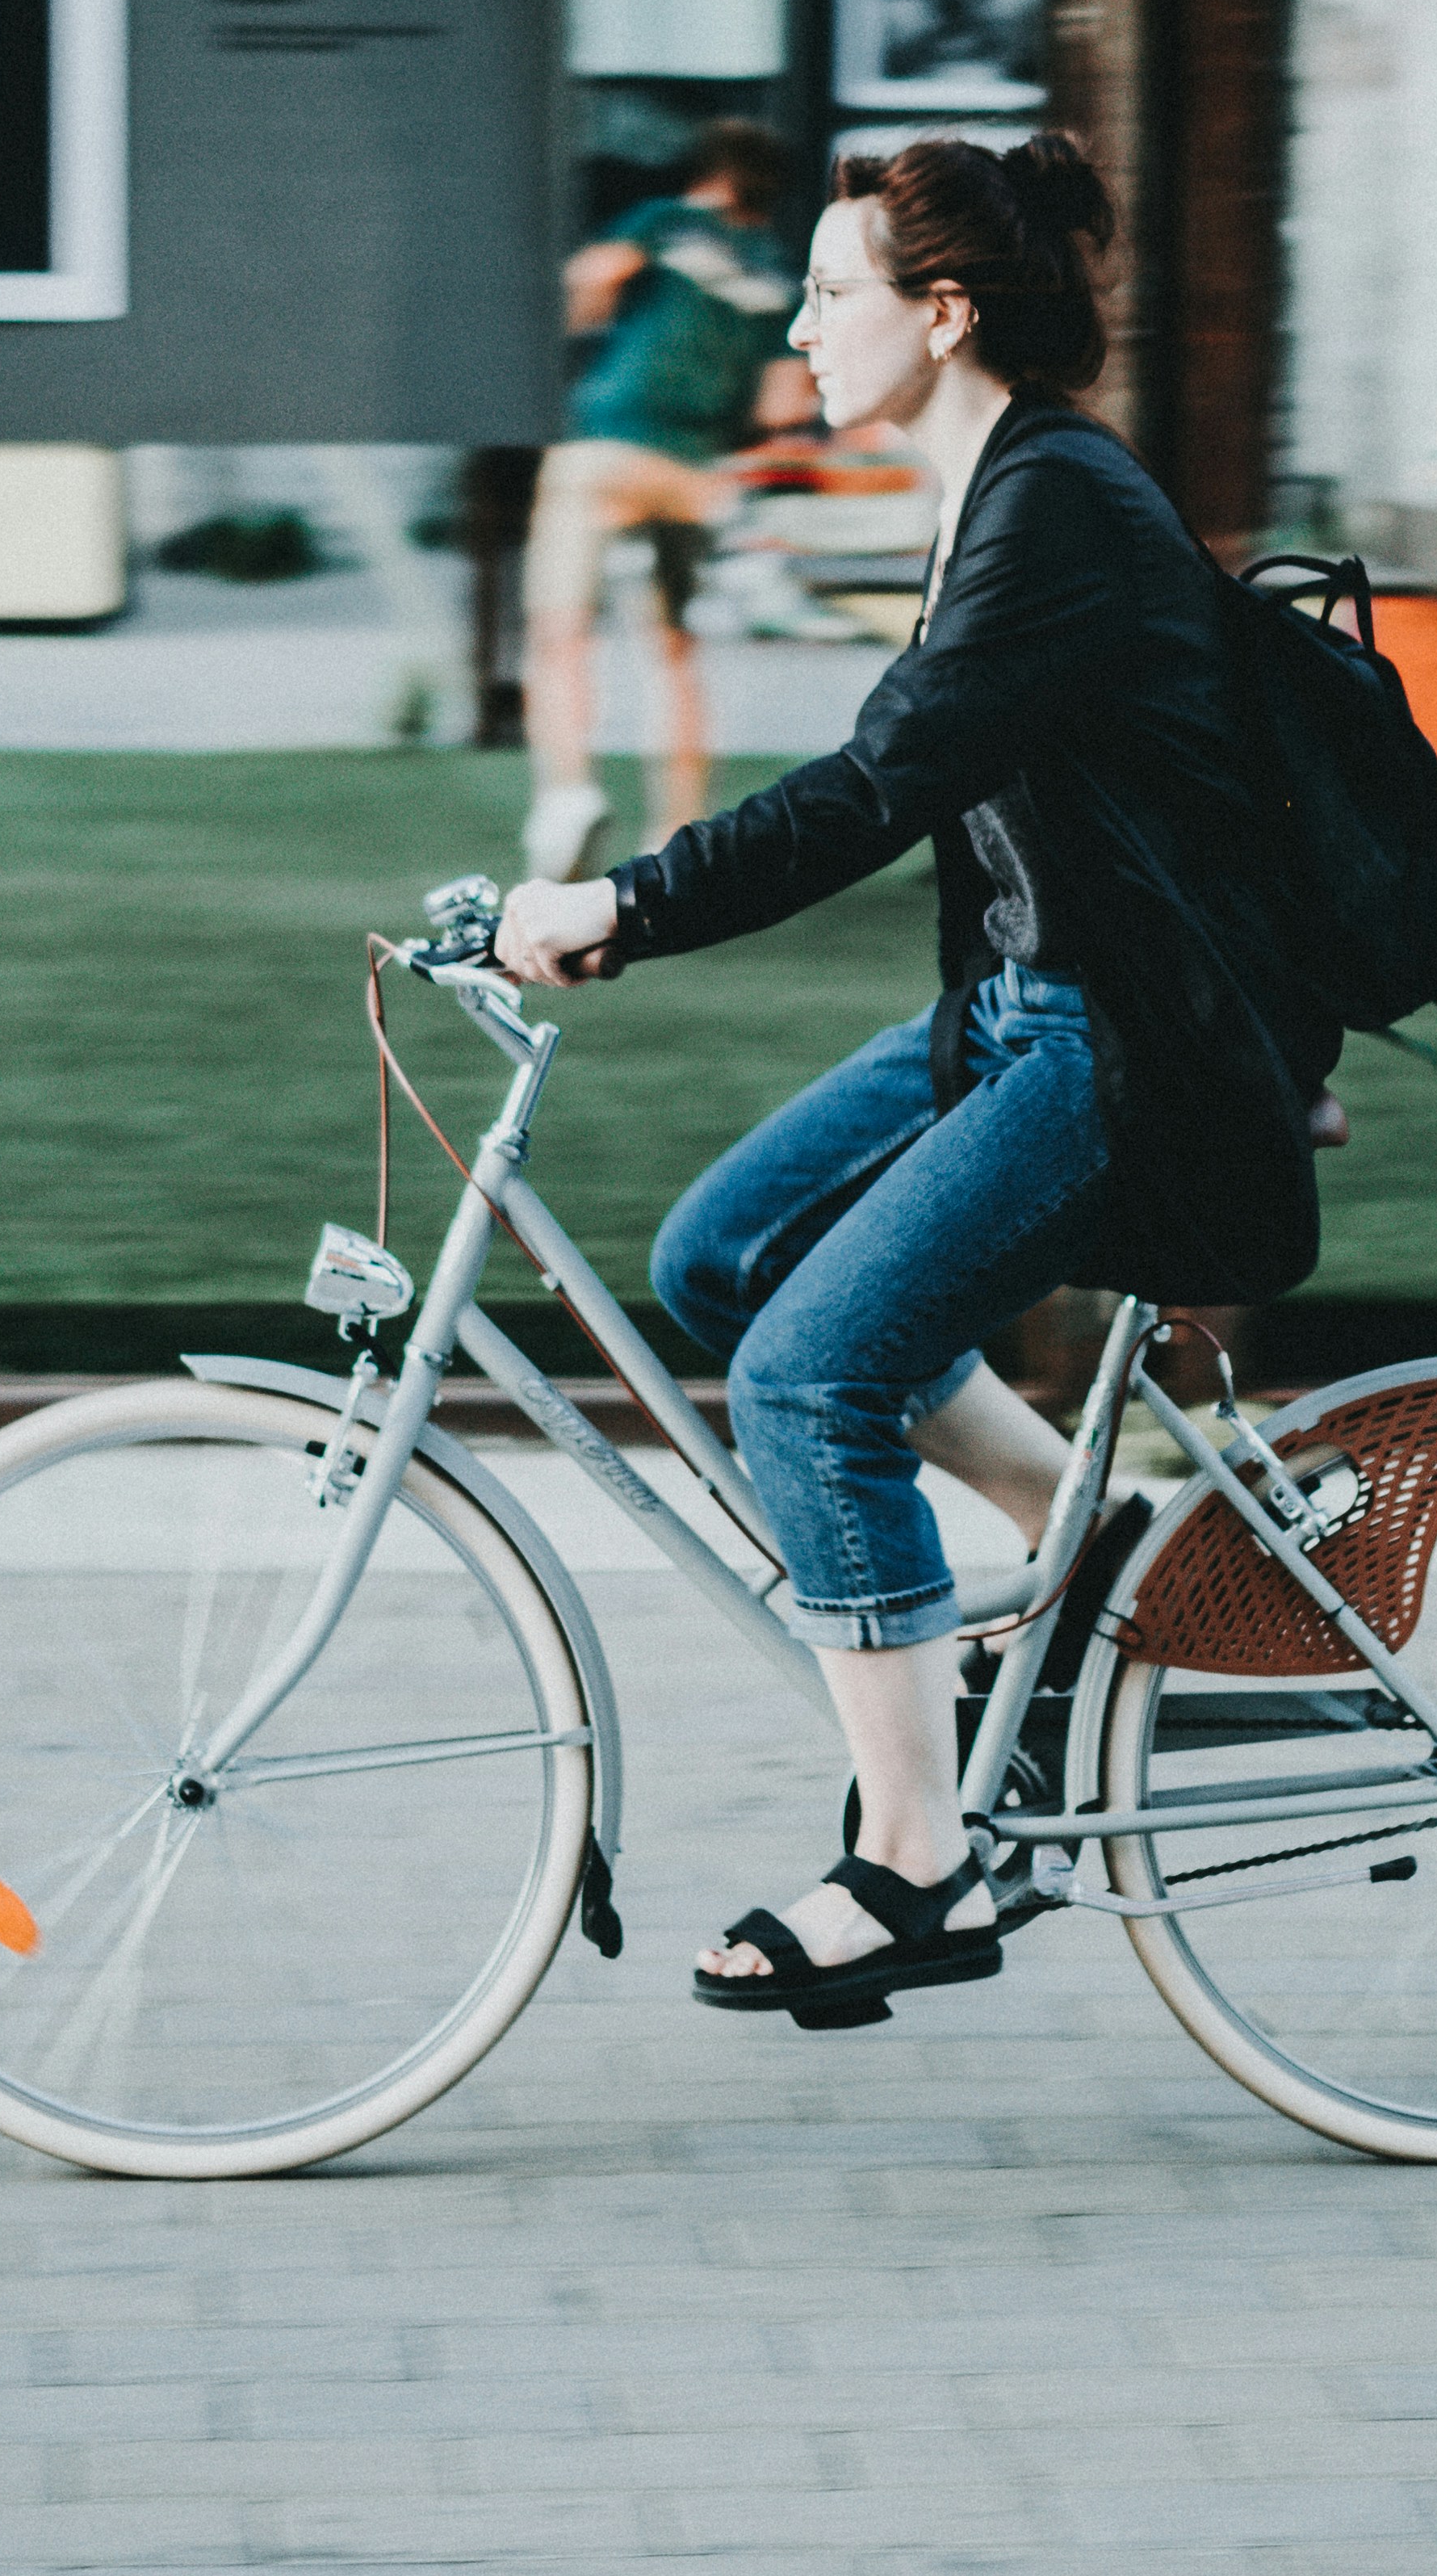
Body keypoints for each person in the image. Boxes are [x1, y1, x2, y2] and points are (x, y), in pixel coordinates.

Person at [496, 132, 1344, 2023]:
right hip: (1039, 1005)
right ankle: (1102, 1540)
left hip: (1116, 1039)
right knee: (724, 1257)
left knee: (812, 1371)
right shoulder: (1002, 485)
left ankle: (915, 1860)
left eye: (828, 293)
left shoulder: (1049, 504)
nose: (793, 330)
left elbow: (877, 788)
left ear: (943, 311)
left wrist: (623, 906)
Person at [522, 120, 818, 881]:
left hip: (607, 450)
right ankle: (673, 839)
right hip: (697, 476)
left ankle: (568, 795)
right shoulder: (779, 277)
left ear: (706, 175)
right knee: (675, 652)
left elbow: (591, 282)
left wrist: (582, 327)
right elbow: (785, 406)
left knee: (561, 632)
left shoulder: (665, 222)